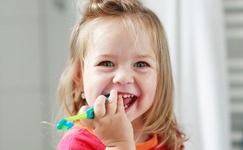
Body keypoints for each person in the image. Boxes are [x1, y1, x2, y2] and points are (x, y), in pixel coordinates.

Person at [57, 0, 186, 149]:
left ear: (160, 78)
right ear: (79, 79)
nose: (123, 77)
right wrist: (118, 144)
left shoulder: (168, 138)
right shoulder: (76, 145)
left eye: (141, 64)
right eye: (106, 63)